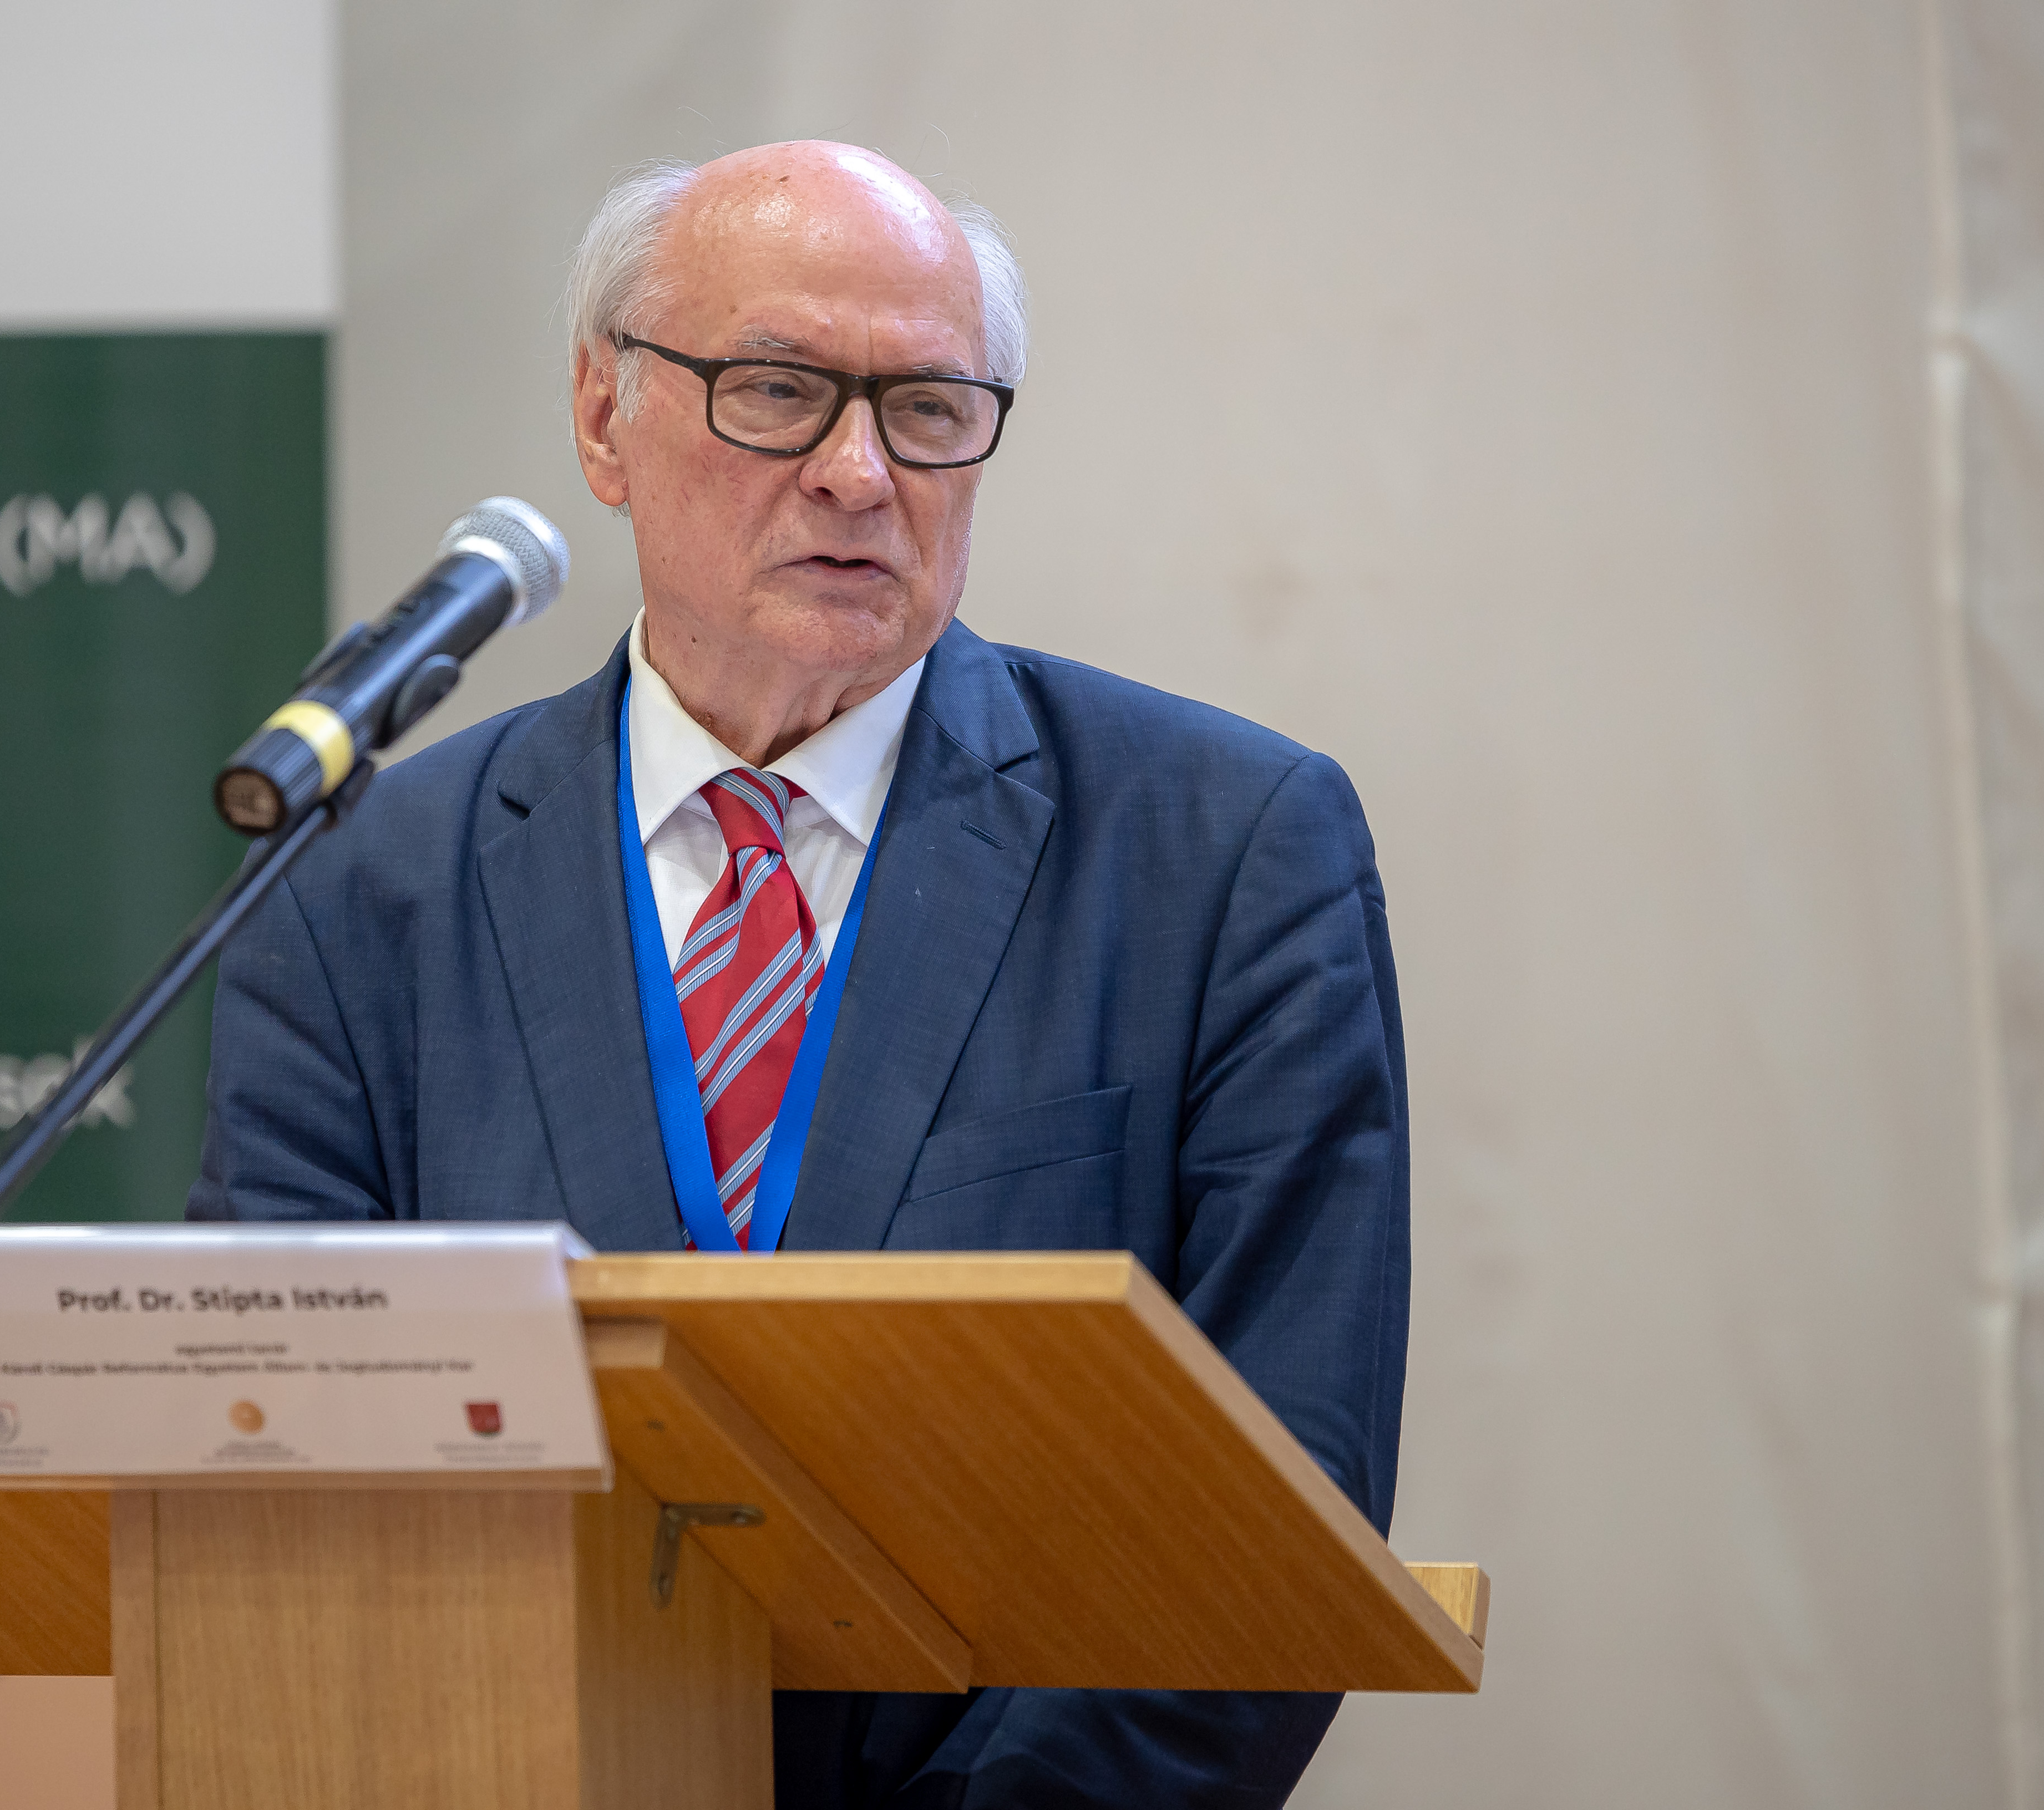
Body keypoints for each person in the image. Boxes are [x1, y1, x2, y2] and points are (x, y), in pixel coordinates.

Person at [190, 139, 1408, 1810]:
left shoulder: (1223, 850)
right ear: (602, 418)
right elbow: (275, 1462)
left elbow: (1280, 1497)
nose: (858, 472)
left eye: (927, 408)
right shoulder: (362, 888)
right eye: (776, 390)